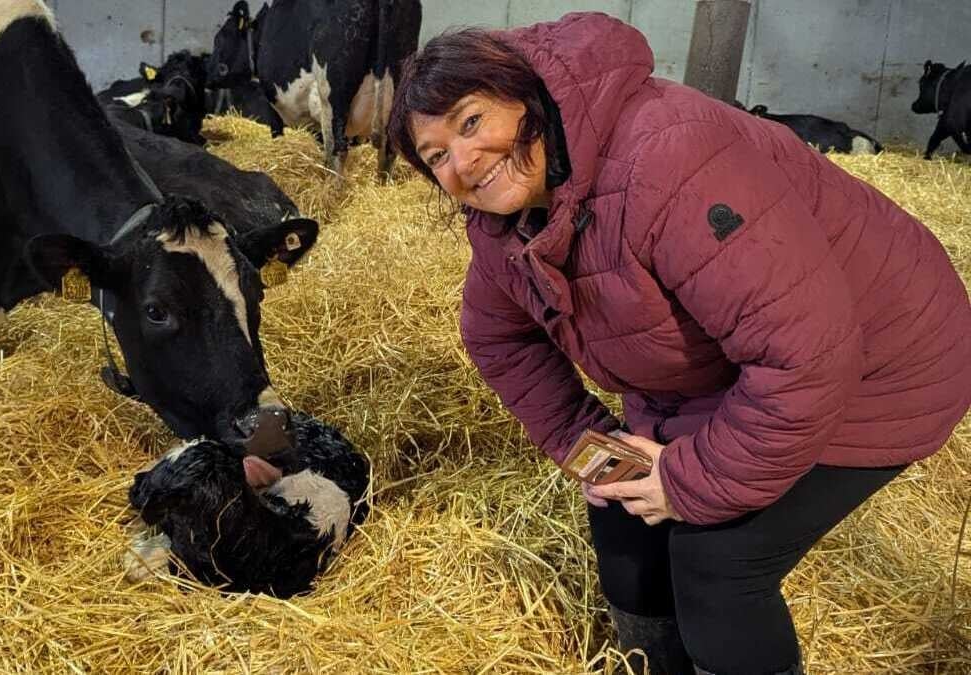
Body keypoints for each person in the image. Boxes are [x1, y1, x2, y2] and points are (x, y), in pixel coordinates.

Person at [386, 12, 971, 675]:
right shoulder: (507, 223)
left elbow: (805, 358)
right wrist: (590, 449)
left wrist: (687, 478)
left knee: (716, 560)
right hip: (736, 373)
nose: (463, 162)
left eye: (471, 122)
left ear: (526, 96)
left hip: (883, 361)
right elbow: (496, 338)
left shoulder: (665, 160)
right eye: (436, 156)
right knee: (622, 512)